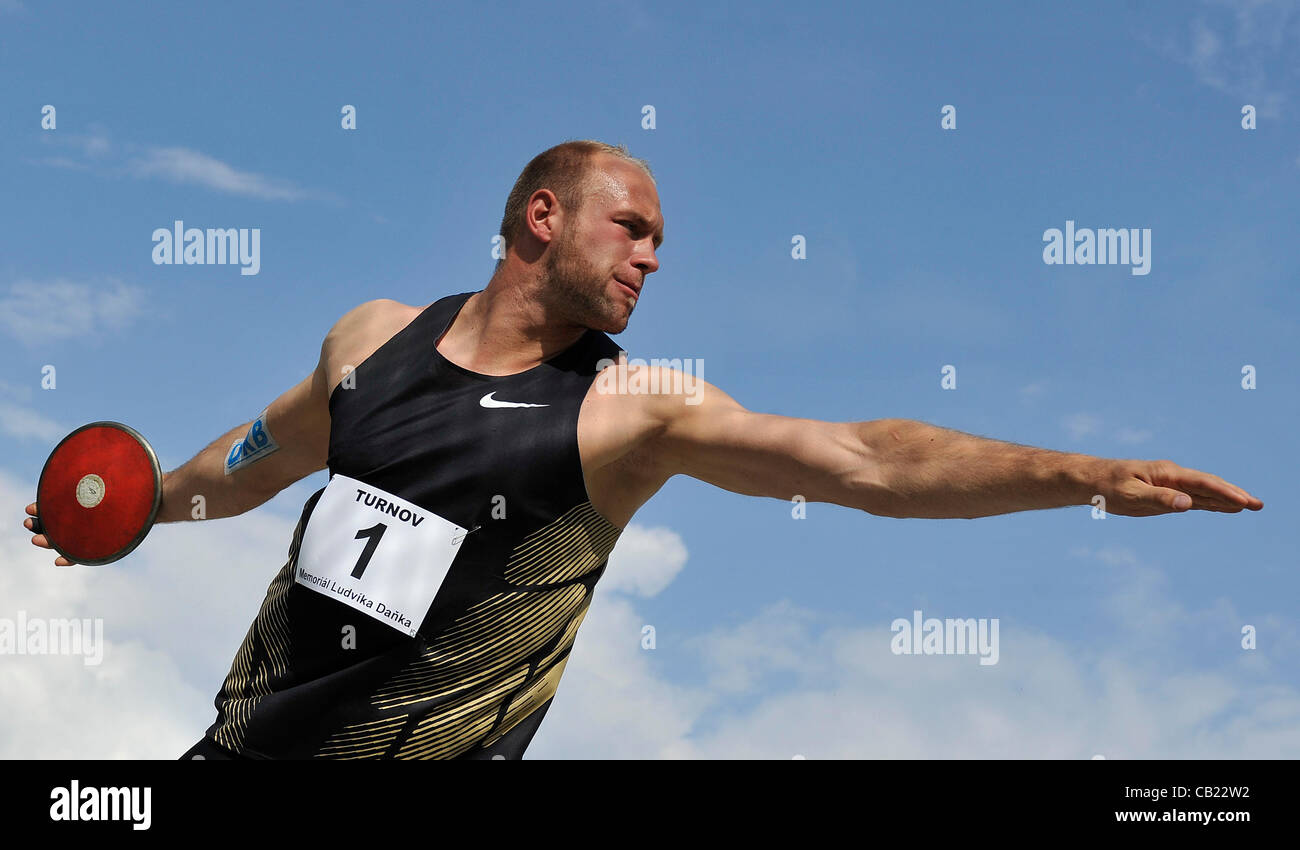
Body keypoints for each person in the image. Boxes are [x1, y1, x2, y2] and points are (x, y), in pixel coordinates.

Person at [23, 140, 1264, 759]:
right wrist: (122, 516)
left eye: (661, 242)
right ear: (541, 216)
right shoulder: (372, 340)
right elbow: (238, 471)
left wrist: (1084, 478)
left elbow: (869, 461)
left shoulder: (636, 408)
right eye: (634, 228)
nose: (653, 258)